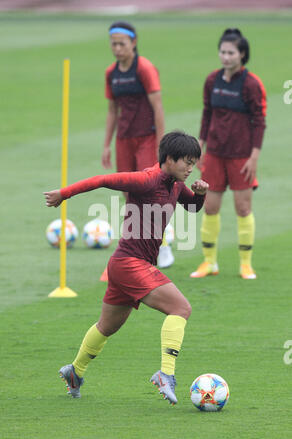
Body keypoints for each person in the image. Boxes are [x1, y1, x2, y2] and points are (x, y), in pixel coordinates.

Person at [44, 131, 209, 405]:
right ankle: (166, 374)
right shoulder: (146, 180)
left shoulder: (177, 184)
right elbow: (101, 180)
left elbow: (192, 208)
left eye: (194, 163)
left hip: (123, 265)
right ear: (169, 159)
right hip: (132, 264)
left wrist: (201, 195)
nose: (191, 168)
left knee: (106, 327)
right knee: (181, 308)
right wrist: (63, 194)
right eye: (187, 162)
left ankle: (75, 371)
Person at [191, 28, 266, 280]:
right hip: (214, 154)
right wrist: (200, 145)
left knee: (243, 208)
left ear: (242, 54)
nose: (225, 57)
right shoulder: (212, 81)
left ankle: (246, 263)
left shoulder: (252, 84)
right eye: (222, 52)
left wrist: (254, 156)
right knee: (210, 207)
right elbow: (206, 114)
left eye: (230, 52)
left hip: (241, 157)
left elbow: (260, 121)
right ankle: (209, 262)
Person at [101, 20, 173, 269]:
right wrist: (107, 144)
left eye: (122, 44)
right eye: (113, 44)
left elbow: (158, 107)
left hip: (147, 138)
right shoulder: (111, 73)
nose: (117, 48)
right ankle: (139, 248)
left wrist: (161, 146)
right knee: (128, 194)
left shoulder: (145, 68)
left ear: (134, 42)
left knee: (150, 194)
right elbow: (112, 111)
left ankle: (162, 246)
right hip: (124, 140)